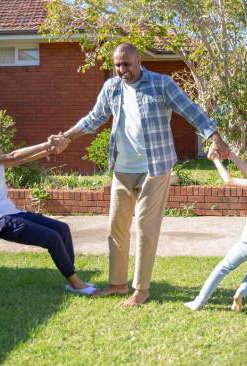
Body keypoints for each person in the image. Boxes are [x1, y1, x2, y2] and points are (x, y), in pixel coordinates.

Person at [58, 43, 230, 306]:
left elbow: (190, 110)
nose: (121, 70)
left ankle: (142, 289)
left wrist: (214, 137)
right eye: (117, 65)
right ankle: (117, 284)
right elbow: (94, 118)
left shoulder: (162, 84)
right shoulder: (112, 88)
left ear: (139, 61)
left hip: (155, 167)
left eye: (126, 64)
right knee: (116, 226)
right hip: (122, 168)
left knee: (145, 227)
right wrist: (66, 137)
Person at [0, 113, 96, 295]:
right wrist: (47, 143)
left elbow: (20, 159)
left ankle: (72, 279)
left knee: (62, 229)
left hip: (13, 213)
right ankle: (76, 284)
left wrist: (50, 149)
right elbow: (13, 156)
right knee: (52, 238)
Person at [185, 148, 247, 312]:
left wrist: (216, 160)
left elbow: (229, 180)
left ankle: (198, 302)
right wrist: (231, 156)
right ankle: (241, 292)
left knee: (223, 268)